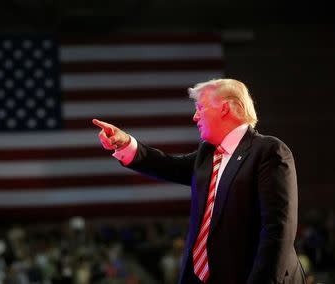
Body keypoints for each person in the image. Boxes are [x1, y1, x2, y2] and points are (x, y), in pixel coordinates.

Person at [92, 79, 307, 284]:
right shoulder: (208, 154)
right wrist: (125, 144)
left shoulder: (268, 151)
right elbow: (169, 166)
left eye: (201, 108)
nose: (195, 116)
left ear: (225, 108)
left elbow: (278, 230)